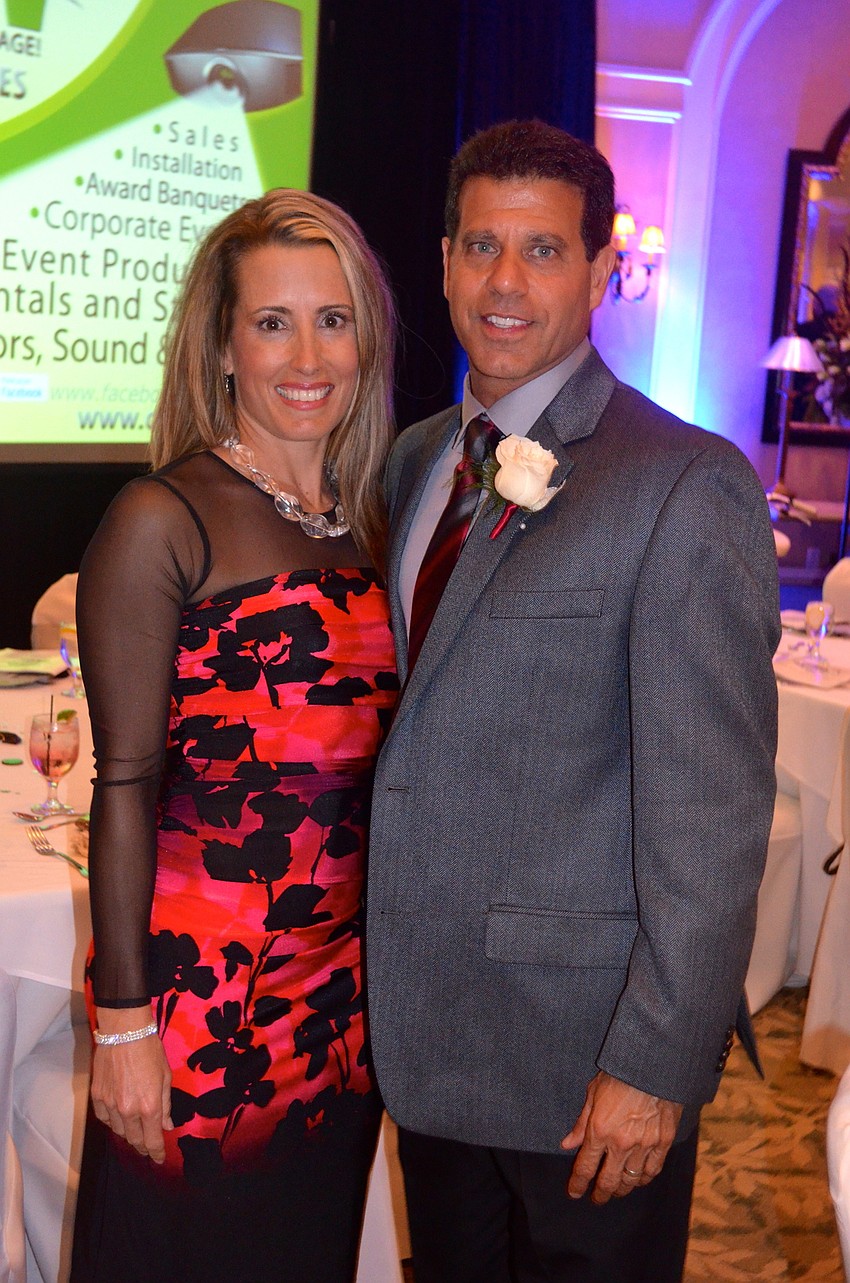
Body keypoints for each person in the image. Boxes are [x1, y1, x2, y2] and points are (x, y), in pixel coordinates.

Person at [366, 119, 780, 1282]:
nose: (505, 282)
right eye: (481, 246)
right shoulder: (412, 465)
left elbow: (711, 819)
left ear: (600, 272)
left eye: (543, 251)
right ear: (443, 259)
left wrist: (656, 1062)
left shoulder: (683, 483)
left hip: (585, 1065)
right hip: (431, 1031)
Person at [70, 189, 398, 1282]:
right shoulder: (163, 518)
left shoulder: (374, 516)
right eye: (272, 322)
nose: (307, 354)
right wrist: (122, 1024)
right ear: (221, 346)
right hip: (199, 1010)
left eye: (333, 318)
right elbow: (120, 786)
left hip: (337, 1018)